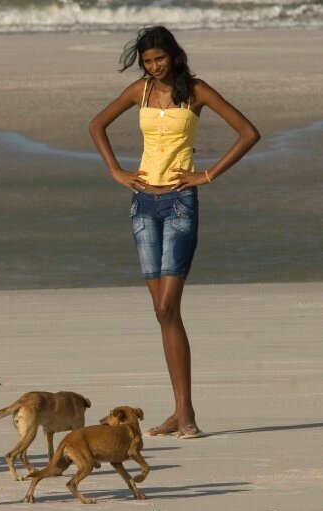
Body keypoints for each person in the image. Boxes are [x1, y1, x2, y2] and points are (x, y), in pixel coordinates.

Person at [88, 26, 260, 438]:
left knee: (167, 307)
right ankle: (182, 412)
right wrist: (116, 171)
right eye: (147, 61)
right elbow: (96, 125)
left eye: (159, 59)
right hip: (143, 205)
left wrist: (208, 175)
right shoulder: (140, 92)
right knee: (164, 312)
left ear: (173, 54)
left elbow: (249, 132)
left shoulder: (196, 91)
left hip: (181, 202)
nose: (154, 66)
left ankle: (185, 412)